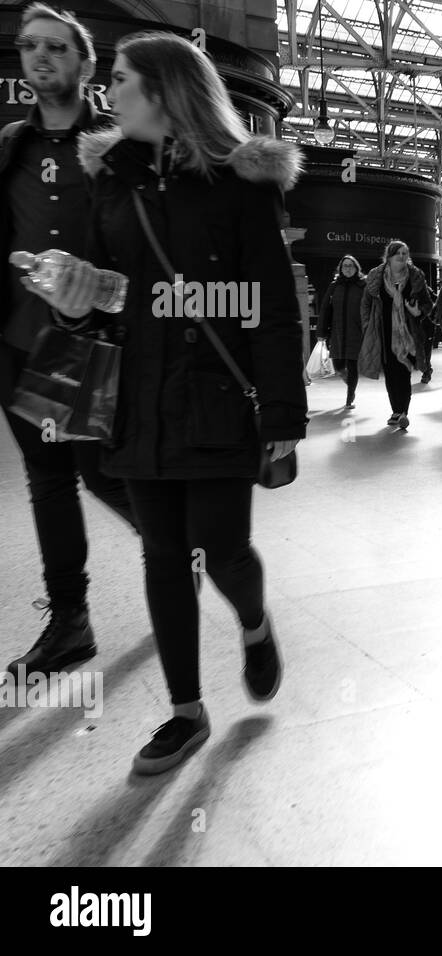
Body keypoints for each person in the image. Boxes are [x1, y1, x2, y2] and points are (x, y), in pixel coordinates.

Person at [33, 31, 307, 774]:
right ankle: (185, 713)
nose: (107, 91)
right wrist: (70, 296)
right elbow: (102, 293)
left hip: (217, 400)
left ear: (161, 91)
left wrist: (281, 417)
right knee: (162, 557)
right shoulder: (111, 182)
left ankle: (253, 621)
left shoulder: (241, 185)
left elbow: (273, 309)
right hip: (137, 399)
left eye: (120, 79)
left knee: (221, 549)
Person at [1, 2, 138, 681]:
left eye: (56, 47)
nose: (40, 57)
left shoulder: (116, 145)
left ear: (85, 65)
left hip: (87, 341)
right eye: (30, 46)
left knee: (97, 472)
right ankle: (70, 622)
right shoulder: (10, 146)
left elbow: (143, 246)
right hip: (19, 340)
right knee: (47, 482)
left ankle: (169, 545)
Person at [358, 240, 429, 430]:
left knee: (403, 371)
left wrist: (417, 312)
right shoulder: (376, 275)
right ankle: (396, 410)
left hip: (408, 332)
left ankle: (403, 411)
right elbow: (365, 304)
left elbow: (427, 304)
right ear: (389, 256)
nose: (402, 256)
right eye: (398, 253)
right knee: (390, 373)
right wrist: (367, 325)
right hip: (383, 331)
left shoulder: (415, 276)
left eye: (405, 253)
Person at [318, 254, 364, 409]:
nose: (348, 268)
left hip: (356, 332)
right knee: (338, 367)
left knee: (352, 366)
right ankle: (349, 383)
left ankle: (350, 397)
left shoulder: (362, 285)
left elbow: (369, 308)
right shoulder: (334, 285)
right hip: (337, 332)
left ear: (356, 268)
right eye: (345, 265)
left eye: (351, 265)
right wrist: (321, 332)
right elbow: (325, 309)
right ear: (340, 268)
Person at [418, 257, 441, 384]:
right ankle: (428, 369)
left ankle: (427, 372)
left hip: (428, 325)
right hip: (417, 325)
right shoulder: (411, 290)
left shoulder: (428, 291)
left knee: (426, 350)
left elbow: (437, 302)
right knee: (420, 350)